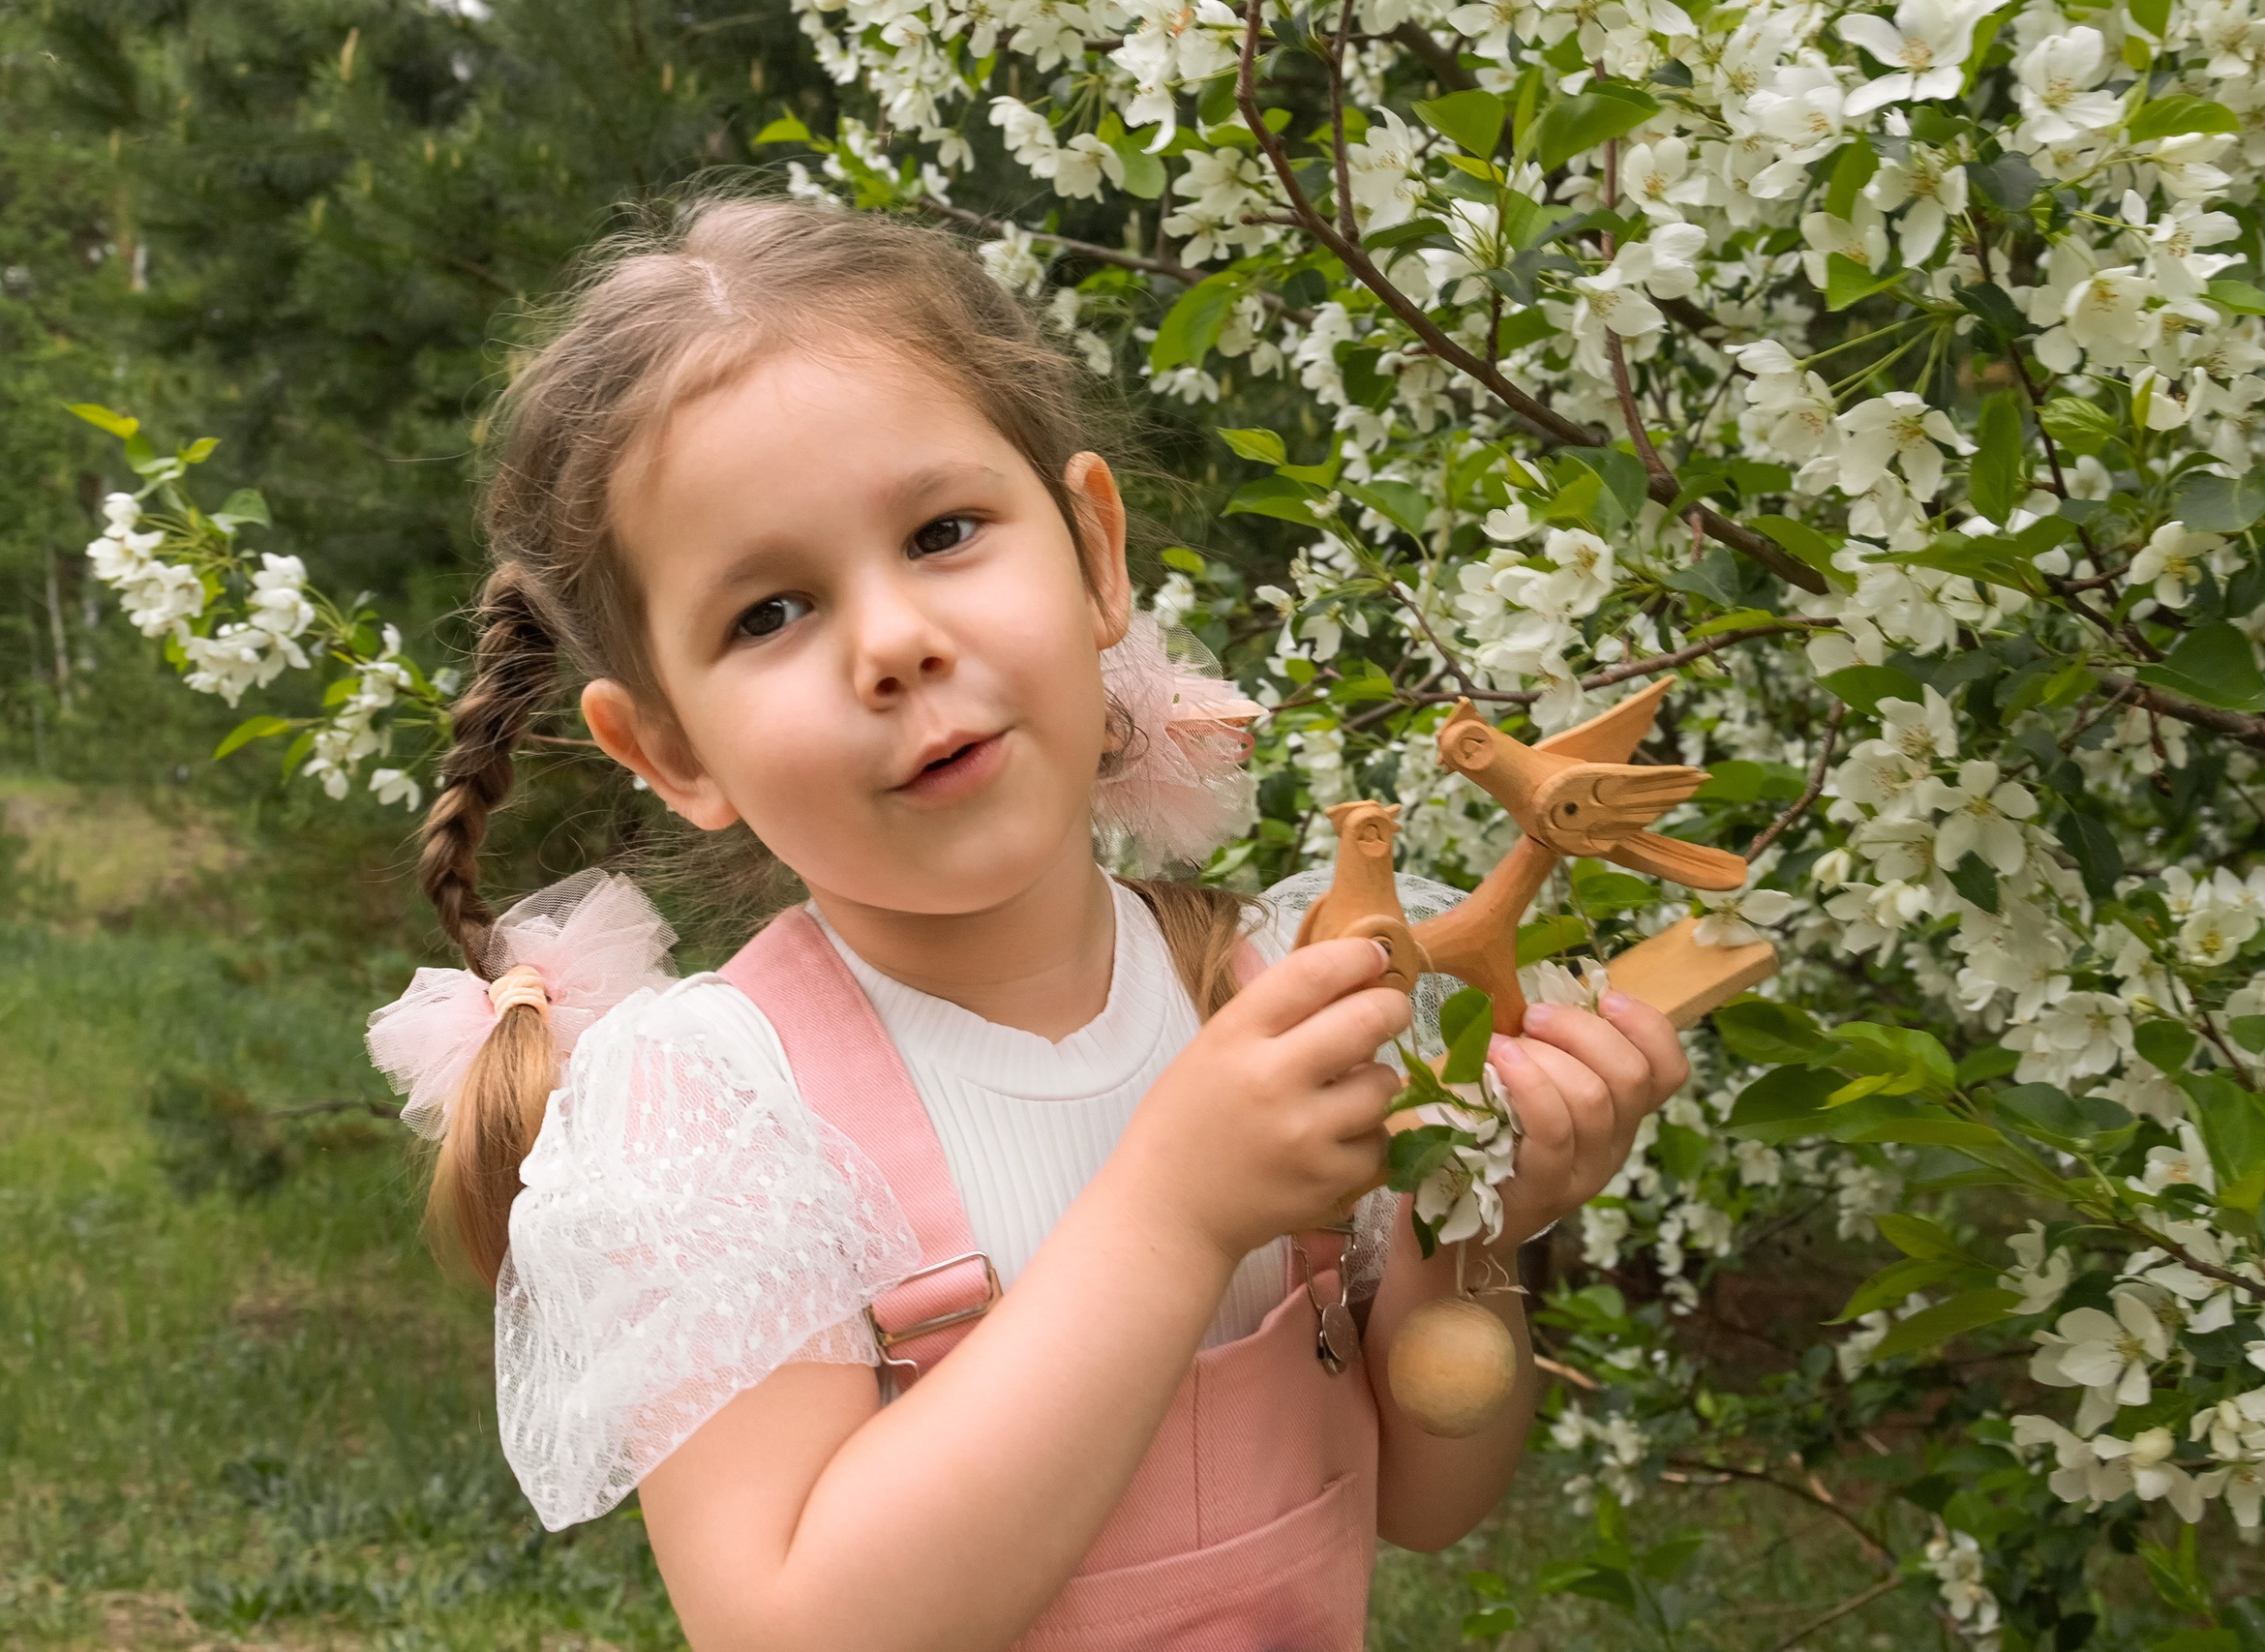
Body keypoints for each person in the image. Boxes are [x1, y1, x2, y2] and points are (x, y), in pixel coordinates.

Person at [364, 196, 1688, 1652]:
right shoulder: (720, 1110)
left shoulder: (1267, 989)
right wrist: (1175, 1211)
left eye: (943, 532)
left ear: (1095, 554)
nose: (893, 642)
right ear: (671, 752)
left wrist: (1474, 1231)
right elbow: (797, 1626)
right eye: (769, 614)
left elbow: (1427, 1493)